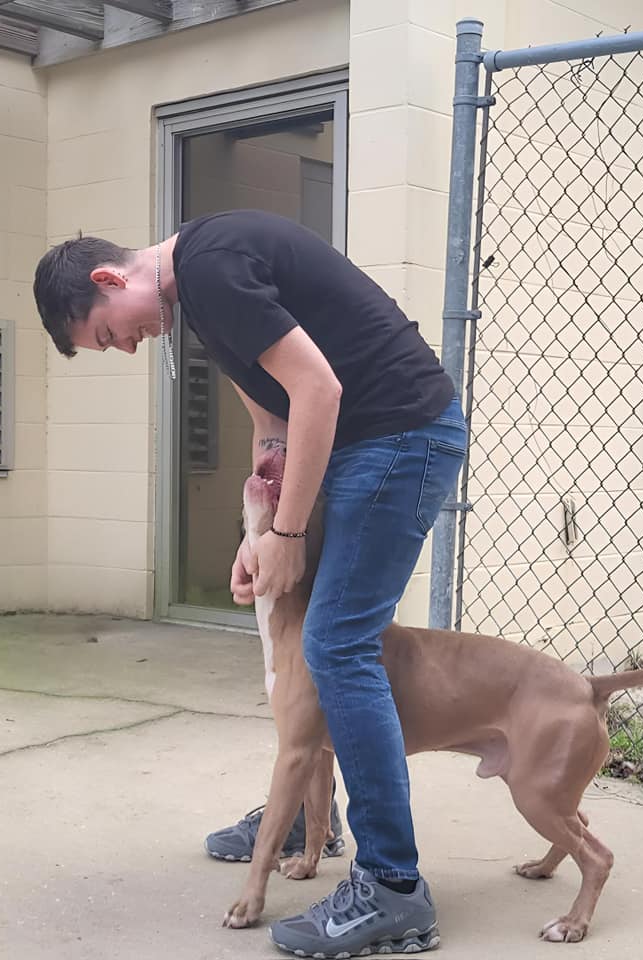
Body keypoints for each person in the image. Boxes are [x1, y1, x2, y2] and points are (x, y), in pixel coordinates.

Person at [34, 209, 466, 958]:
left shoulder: (212, 264)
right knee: (320, 646)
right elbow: (273, 420)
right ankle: (307, 813)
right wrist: (263, 530)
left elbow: (319, 391)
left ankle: (395, 889)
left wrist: (292, 536)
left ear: (110, 279)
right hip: (368, 443)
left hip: (399, 435)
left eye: (109, 332)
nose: (126, 345)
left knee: (336, 645)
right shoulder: (200, 298)